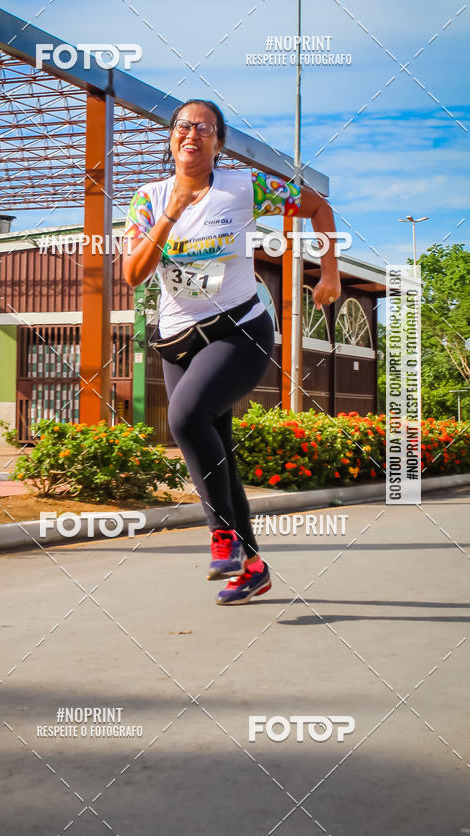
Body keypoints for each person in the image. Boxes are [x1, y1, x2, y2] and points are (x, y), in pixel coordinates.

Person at [123, 99, 341, 605]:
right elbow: (133, 274)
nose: (191, 133)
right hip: (178, 341)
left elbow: (317, 207)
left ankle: (221, 536)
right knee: (216, 453)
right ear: (171, 138)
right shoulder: (148, 199)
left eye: (204, 127)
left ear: (218, 141)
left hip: (238, 330)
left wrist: (328, 272)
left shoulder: (243, 187)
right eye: (182, 126)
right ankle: (254, 565)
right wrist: (170, 215)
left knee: (184, 418)